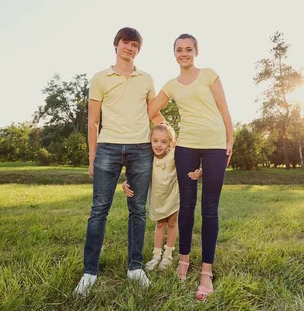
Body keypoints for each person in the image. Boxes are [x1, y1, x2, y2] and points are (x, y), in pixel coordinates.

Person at [74, 27, 163, 298]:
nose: (130, 48)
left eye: (135, 44)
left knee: (137, 209)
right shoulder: (100, 78)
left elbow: (153, 114)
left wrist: (170, 137)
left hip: (140, 148)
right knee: (99, 209)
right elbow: (93, 121)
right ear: (117, 45)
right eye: (126, 42)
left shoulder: (146, 78)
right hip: (108, 147)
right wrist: (93, 156)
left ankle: (135, 267)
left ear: (138, 49)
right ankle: (89, 272)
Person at [148, 33, 233, 301]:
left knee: (209, 208)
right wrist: (168, 132)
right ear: (174, 53)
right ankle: (183, 259)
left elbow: (223, 108)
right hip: (186, 148)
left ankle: (206, 271)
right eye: (178, 49)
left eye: (188, 49)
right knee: (186, 205)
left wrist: (230, 140)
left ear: (196, 51)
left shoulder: (209, 75)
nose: (183, 53)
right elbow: (152, 110)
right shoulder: (171, 85)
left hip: (215, 146)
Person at [121, 123, 202, 271]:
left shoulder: (174, 153)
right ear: (150, 140)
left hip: (173, 195)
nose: (159, 145)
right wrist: (126, 183)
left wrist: (199, 170)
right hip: (158, 197)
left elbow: (190, 160)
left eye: (164, 142)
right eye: (155, 141)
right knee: (159, 225)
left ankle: (168, 255)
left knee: (172, 224)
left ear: (170, 143)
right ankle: (156, 255)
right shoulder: (148, 157)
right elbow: (138, 173)